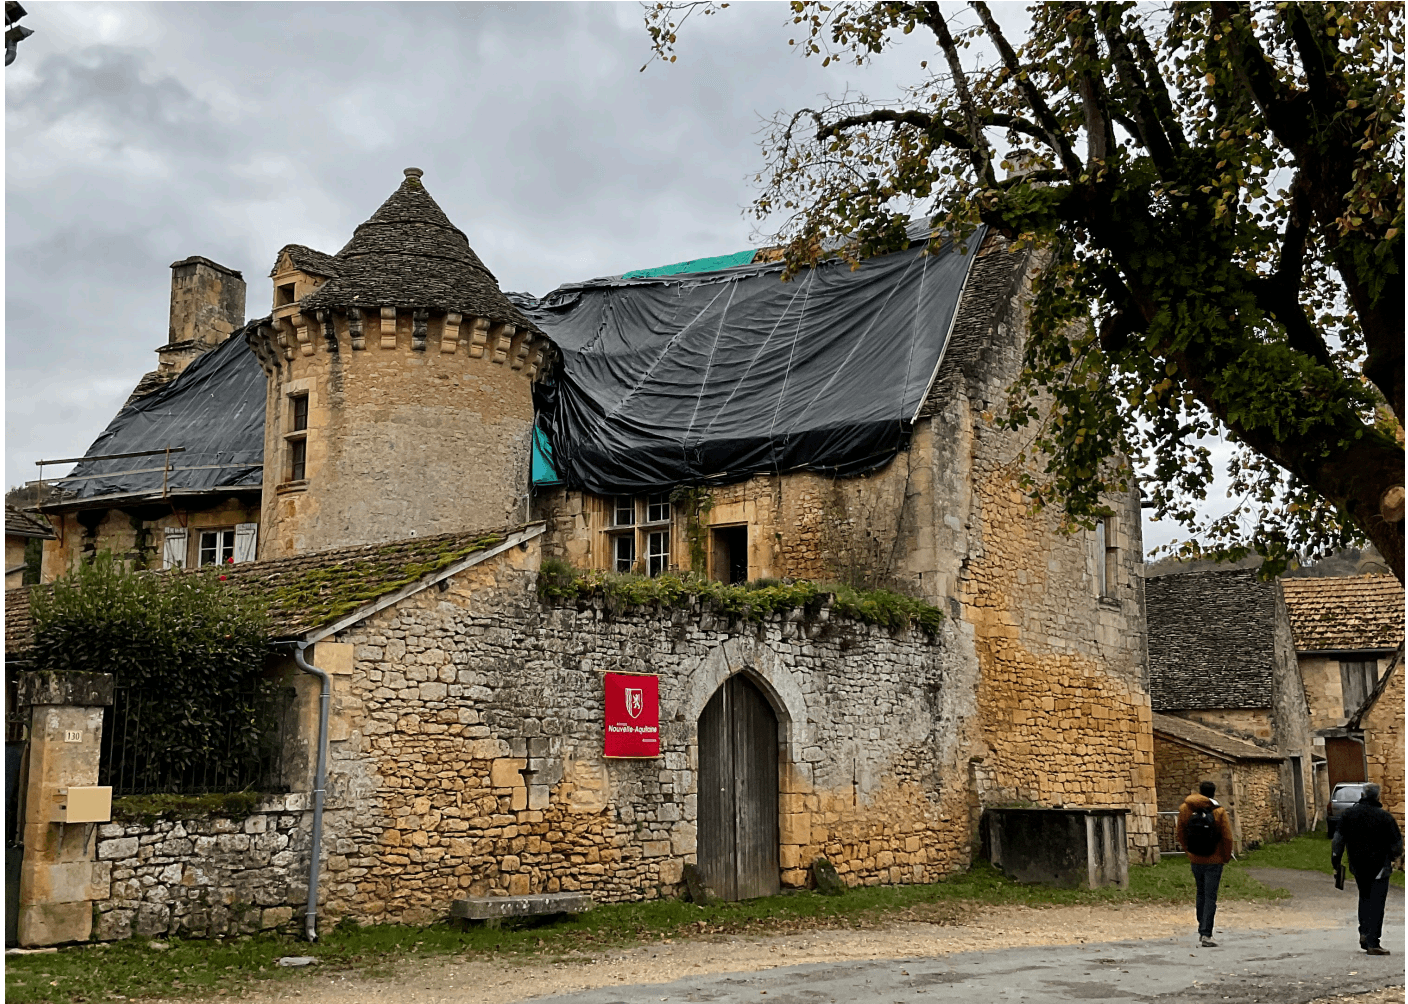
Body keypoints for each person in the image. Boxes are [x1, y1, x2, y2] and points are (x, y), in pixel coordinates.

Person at [1331, 782, 1403, 955]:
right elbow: (1397, 845)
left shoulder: (1349, 815)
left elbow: (1338, 840)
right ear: (1378, 797)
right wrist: (1395, 858)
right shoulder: (1385, 817)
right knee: (1377, 903)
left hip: (1358, 865)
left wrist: (1336, 860)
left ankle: (1364, 932)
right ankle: (1373, 941)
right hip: (1380, 866)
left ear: (1362, 795)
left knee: (1364, 897)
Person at [1176, 780, 1235, 947]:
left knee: (1200, 892)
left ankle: (1201, 925)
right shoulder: (1219, 811)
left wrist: (1188, 851)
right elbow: (1227, 837)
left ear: (1199, 791)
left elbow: (1180, 833)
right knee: (1210, 896)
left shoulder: (1185, 809)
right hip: (1214, 858)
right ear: (1213, 793)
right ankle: (1206, 933)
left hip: (1195, 858)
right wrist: (1225, 856)